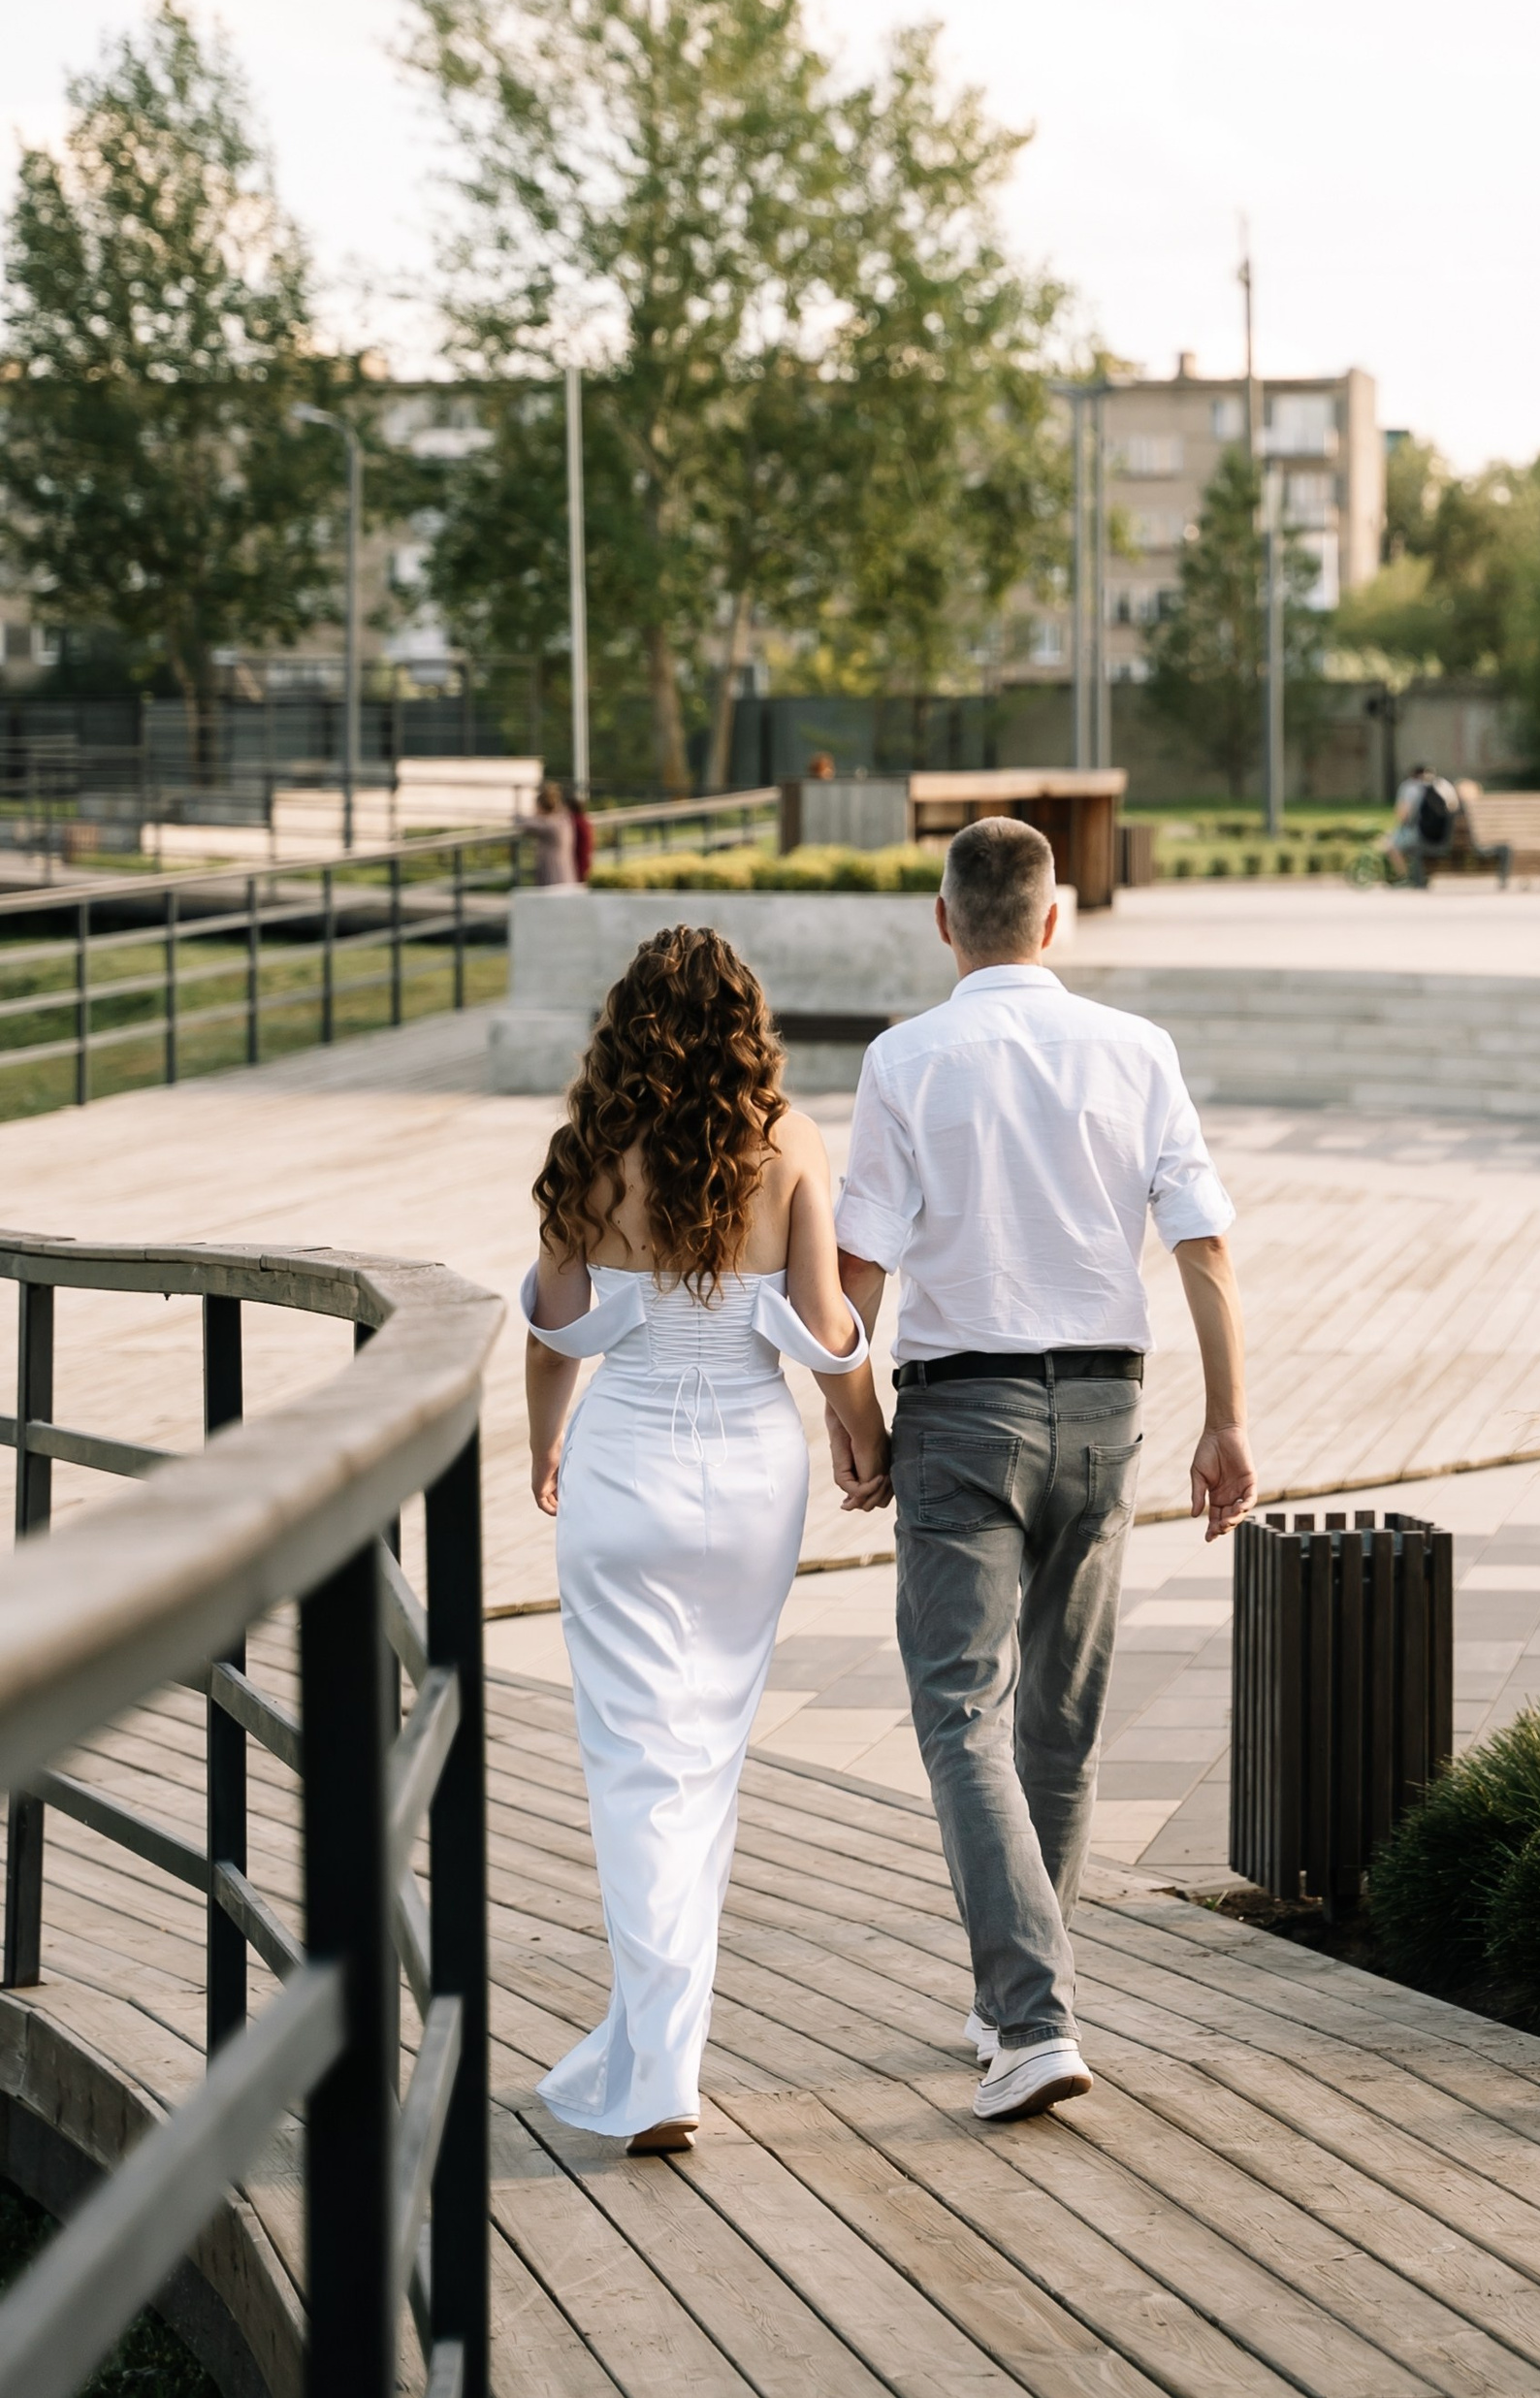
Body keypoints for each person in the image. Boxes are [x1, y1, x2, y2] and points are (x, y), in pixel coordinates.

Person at [831, 814, 1253, 2125]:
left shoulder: (905, 1060)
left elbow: (855, 1278)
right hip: (1109, 1413)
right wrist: (1228, 1422)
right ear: (1056, 920)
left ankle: (1029, 2016)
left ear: (946, 923)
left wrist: (854, 1426)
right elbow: (1203, 1245)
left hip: (963, 1412)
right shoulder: (1138, 1051)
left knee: (960, 1711)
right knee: (1058, 1723)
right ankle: (1018, 1993)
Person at [521, 924, 883, 2155]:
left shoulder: (586, 1153)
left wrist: (542, 1445)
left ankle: (660, 2066)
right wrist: (865, 1432)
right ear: (748, 1024)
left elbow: (553, 1333)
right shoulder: (788, 1141)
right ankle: (653, 2046)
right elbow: (824, 1324)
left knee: (636, 1769)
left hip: (624, 1472)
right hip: (747, 1478)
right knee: (705, 1761)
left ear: (626, 1020)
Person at [1389, 764, 1458, 890]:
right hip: (1446, 837)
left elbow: (1403, 815)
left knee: (1392, 845)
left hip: (1421, 836)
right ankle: (1420, 875)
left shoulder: (1409, 787)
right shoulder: (1443, 785)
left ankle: (1404, 877)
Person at [527, 780, 580, 888]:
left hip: (553, 875)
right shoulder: (563, 820)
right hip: (565, 874)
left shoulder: (550, 824)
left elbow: (527, 825)